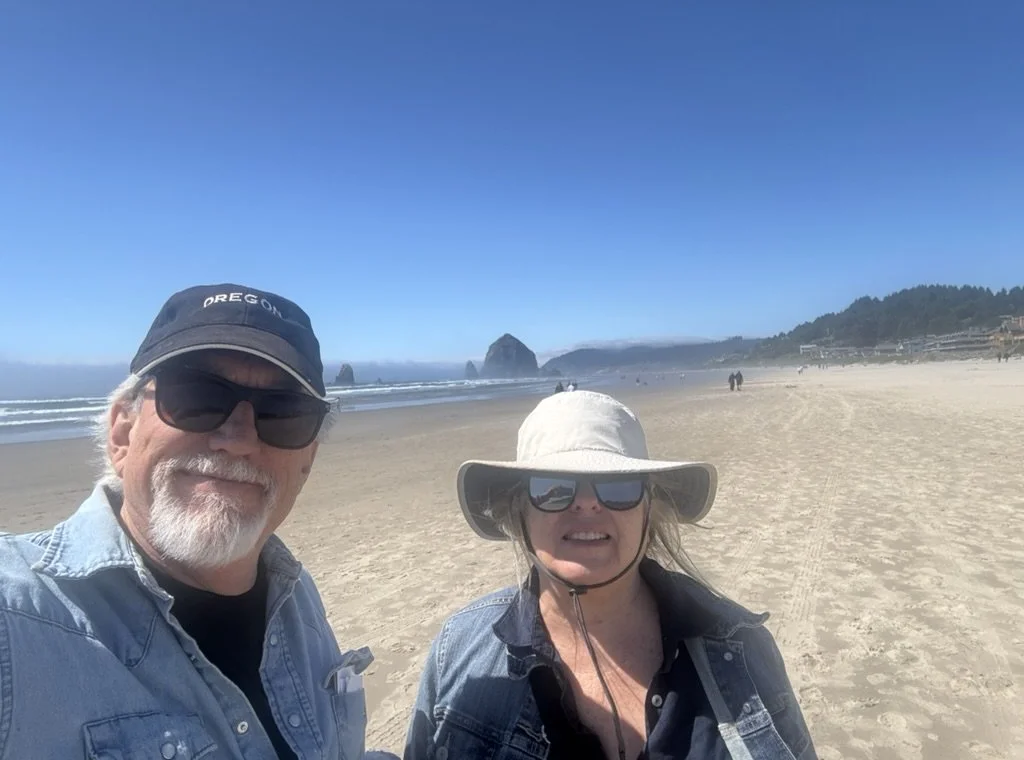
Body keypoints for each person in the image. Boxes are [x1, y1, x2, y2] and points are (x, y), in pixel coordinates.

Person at [0, 284, 380, 760]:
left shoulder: (296, 597)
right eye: (197, 398)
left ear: (308, 460)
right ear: (122, 432)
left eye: (283, 413)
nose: (237, 440)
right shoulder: (17, 617)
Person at [405, 391, 816, 760]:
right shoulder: (457, 649)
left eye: (618, 486)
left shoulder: (741, 646)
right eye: (553, 487)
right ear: (520, 512)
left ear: (647, 510)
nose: (585, 504)